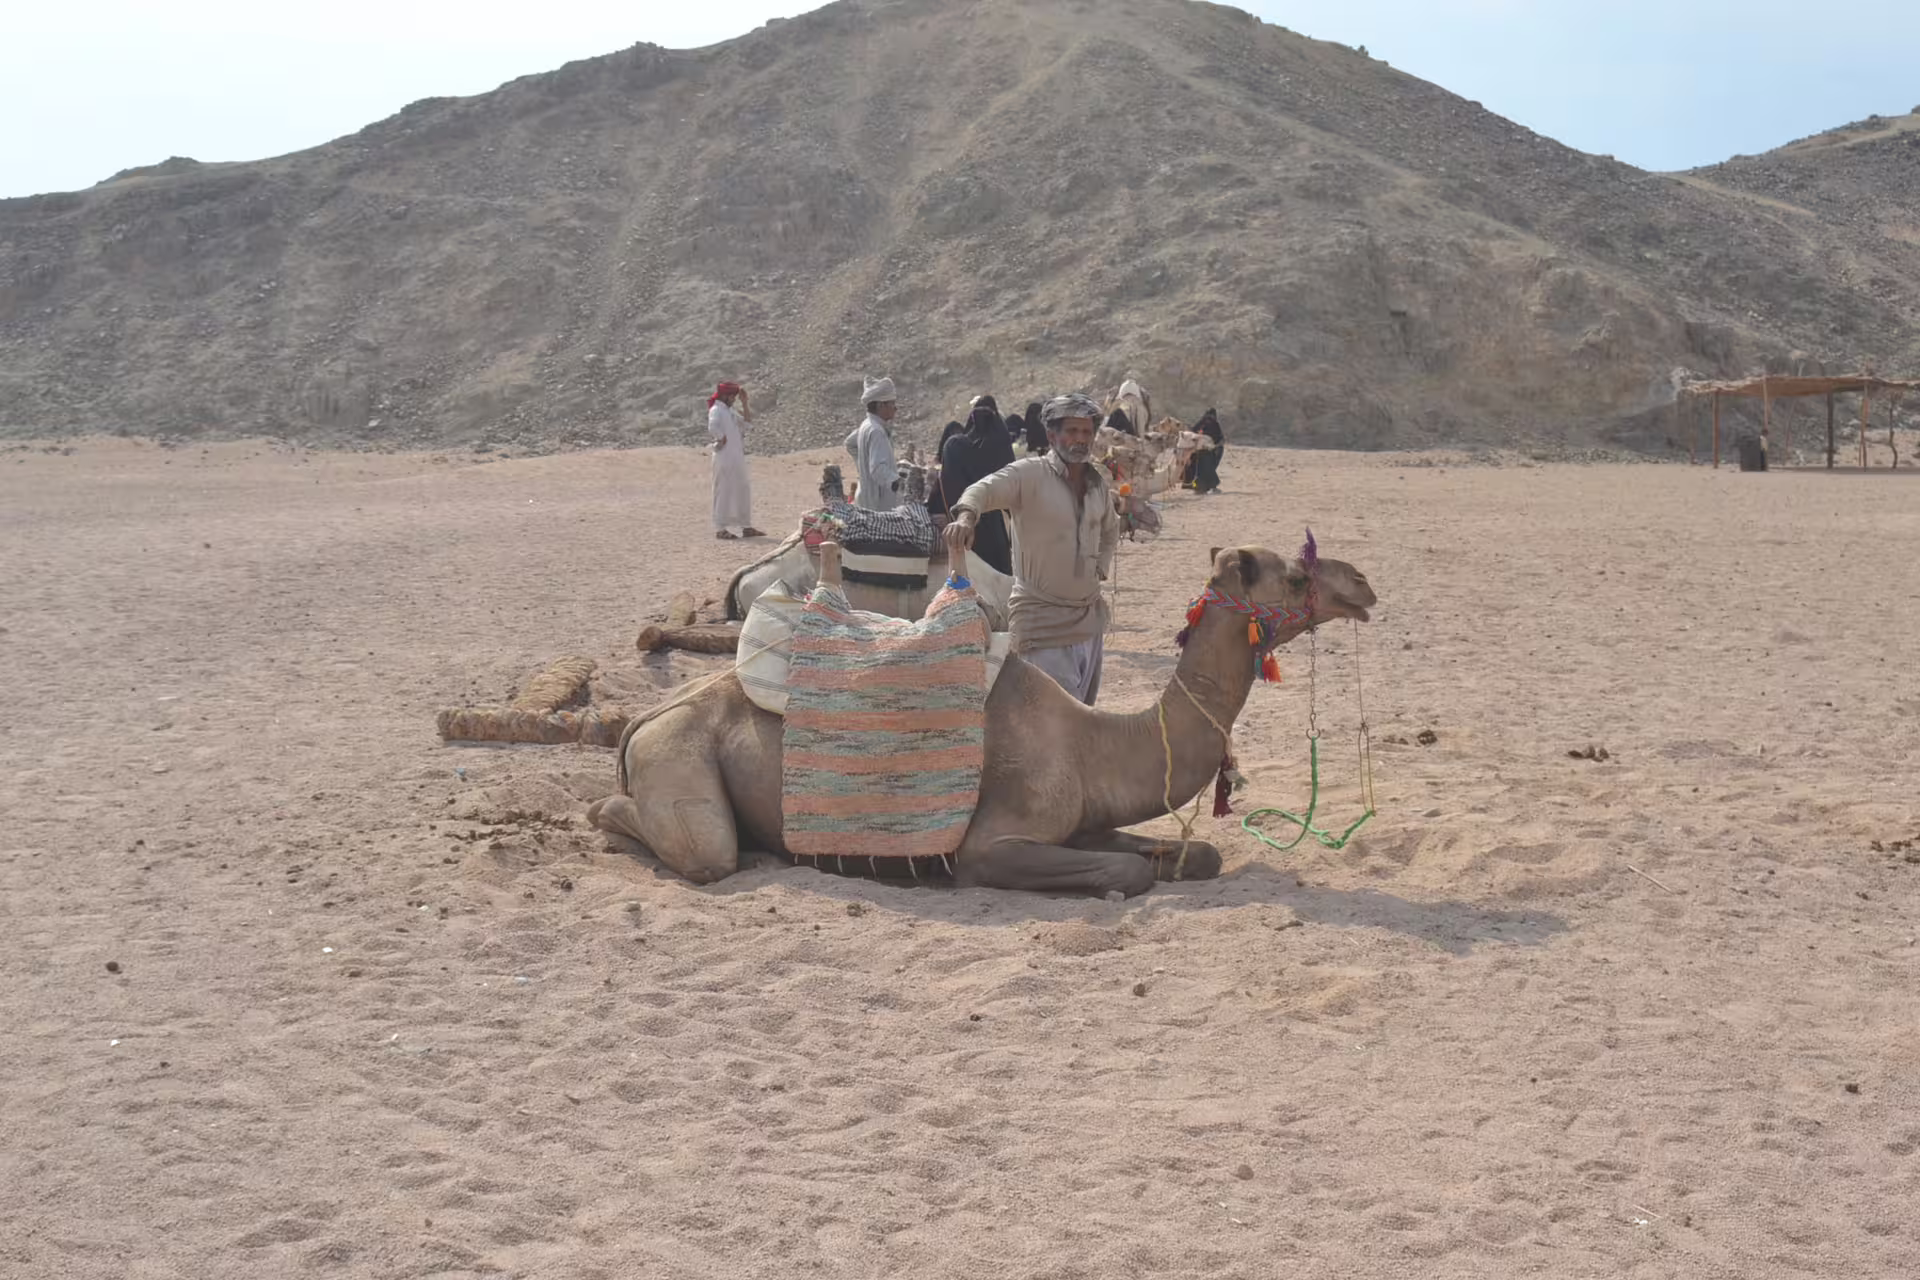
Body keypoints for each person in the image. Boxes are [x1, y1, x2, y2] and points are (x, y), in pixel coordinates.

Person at [944, 392, 1118, 704]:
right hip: (1044, 628)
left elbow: (1110, 527)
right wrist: (967, 518)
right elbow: (982, 490)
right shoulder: (1029, 474)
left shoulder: (1096, 484)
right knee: (1055, 728)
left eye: (1087, 432)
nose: (1081, 439)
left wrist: (1100, 568)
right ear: (1052, 435)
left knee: (1084, 721)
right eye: (1072, 431)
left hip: (1089, 626)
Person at [937, 395, 1016, 575]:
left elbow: (948, 489)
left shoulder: (954, 446)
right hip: (995, 532)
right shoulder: (998, 446)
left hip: (962, 528)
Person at [707, 381, 763, 540]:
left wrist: (745, 403)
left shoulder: (729, 411)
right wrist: (721, 438)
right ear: (725, 396)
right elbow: (712, 427)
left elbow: (746, 425)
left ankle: (746, 526)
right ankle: (720, 528)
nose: (734, 399)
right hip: (723, 457)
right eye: (733, 396)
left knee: (742, 489)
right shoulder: (716, 409)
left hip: (736, 456)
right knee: (723, 490)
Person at [846, 376, 901, 511]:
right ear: (881, 405)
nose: (896, 408)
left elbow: (850, 443)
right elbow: (877, 469)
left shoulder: (867, 425)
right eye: (892, 403)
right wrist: (899, 483)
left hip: (866, 499)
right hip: (878, 507)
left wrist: (863, 468)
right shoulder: (876, 431)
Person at [1182, 407, 1225, 493]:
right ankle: (1211, 488)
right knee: (1208, 470)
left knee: (1196, 471)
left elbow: (1193, 432)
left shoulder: (1201, 422)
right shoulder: (1214, 423)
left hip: (1197, 451)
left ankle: (1196, 487)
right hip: (1206, 452)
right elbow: (1218, 438)